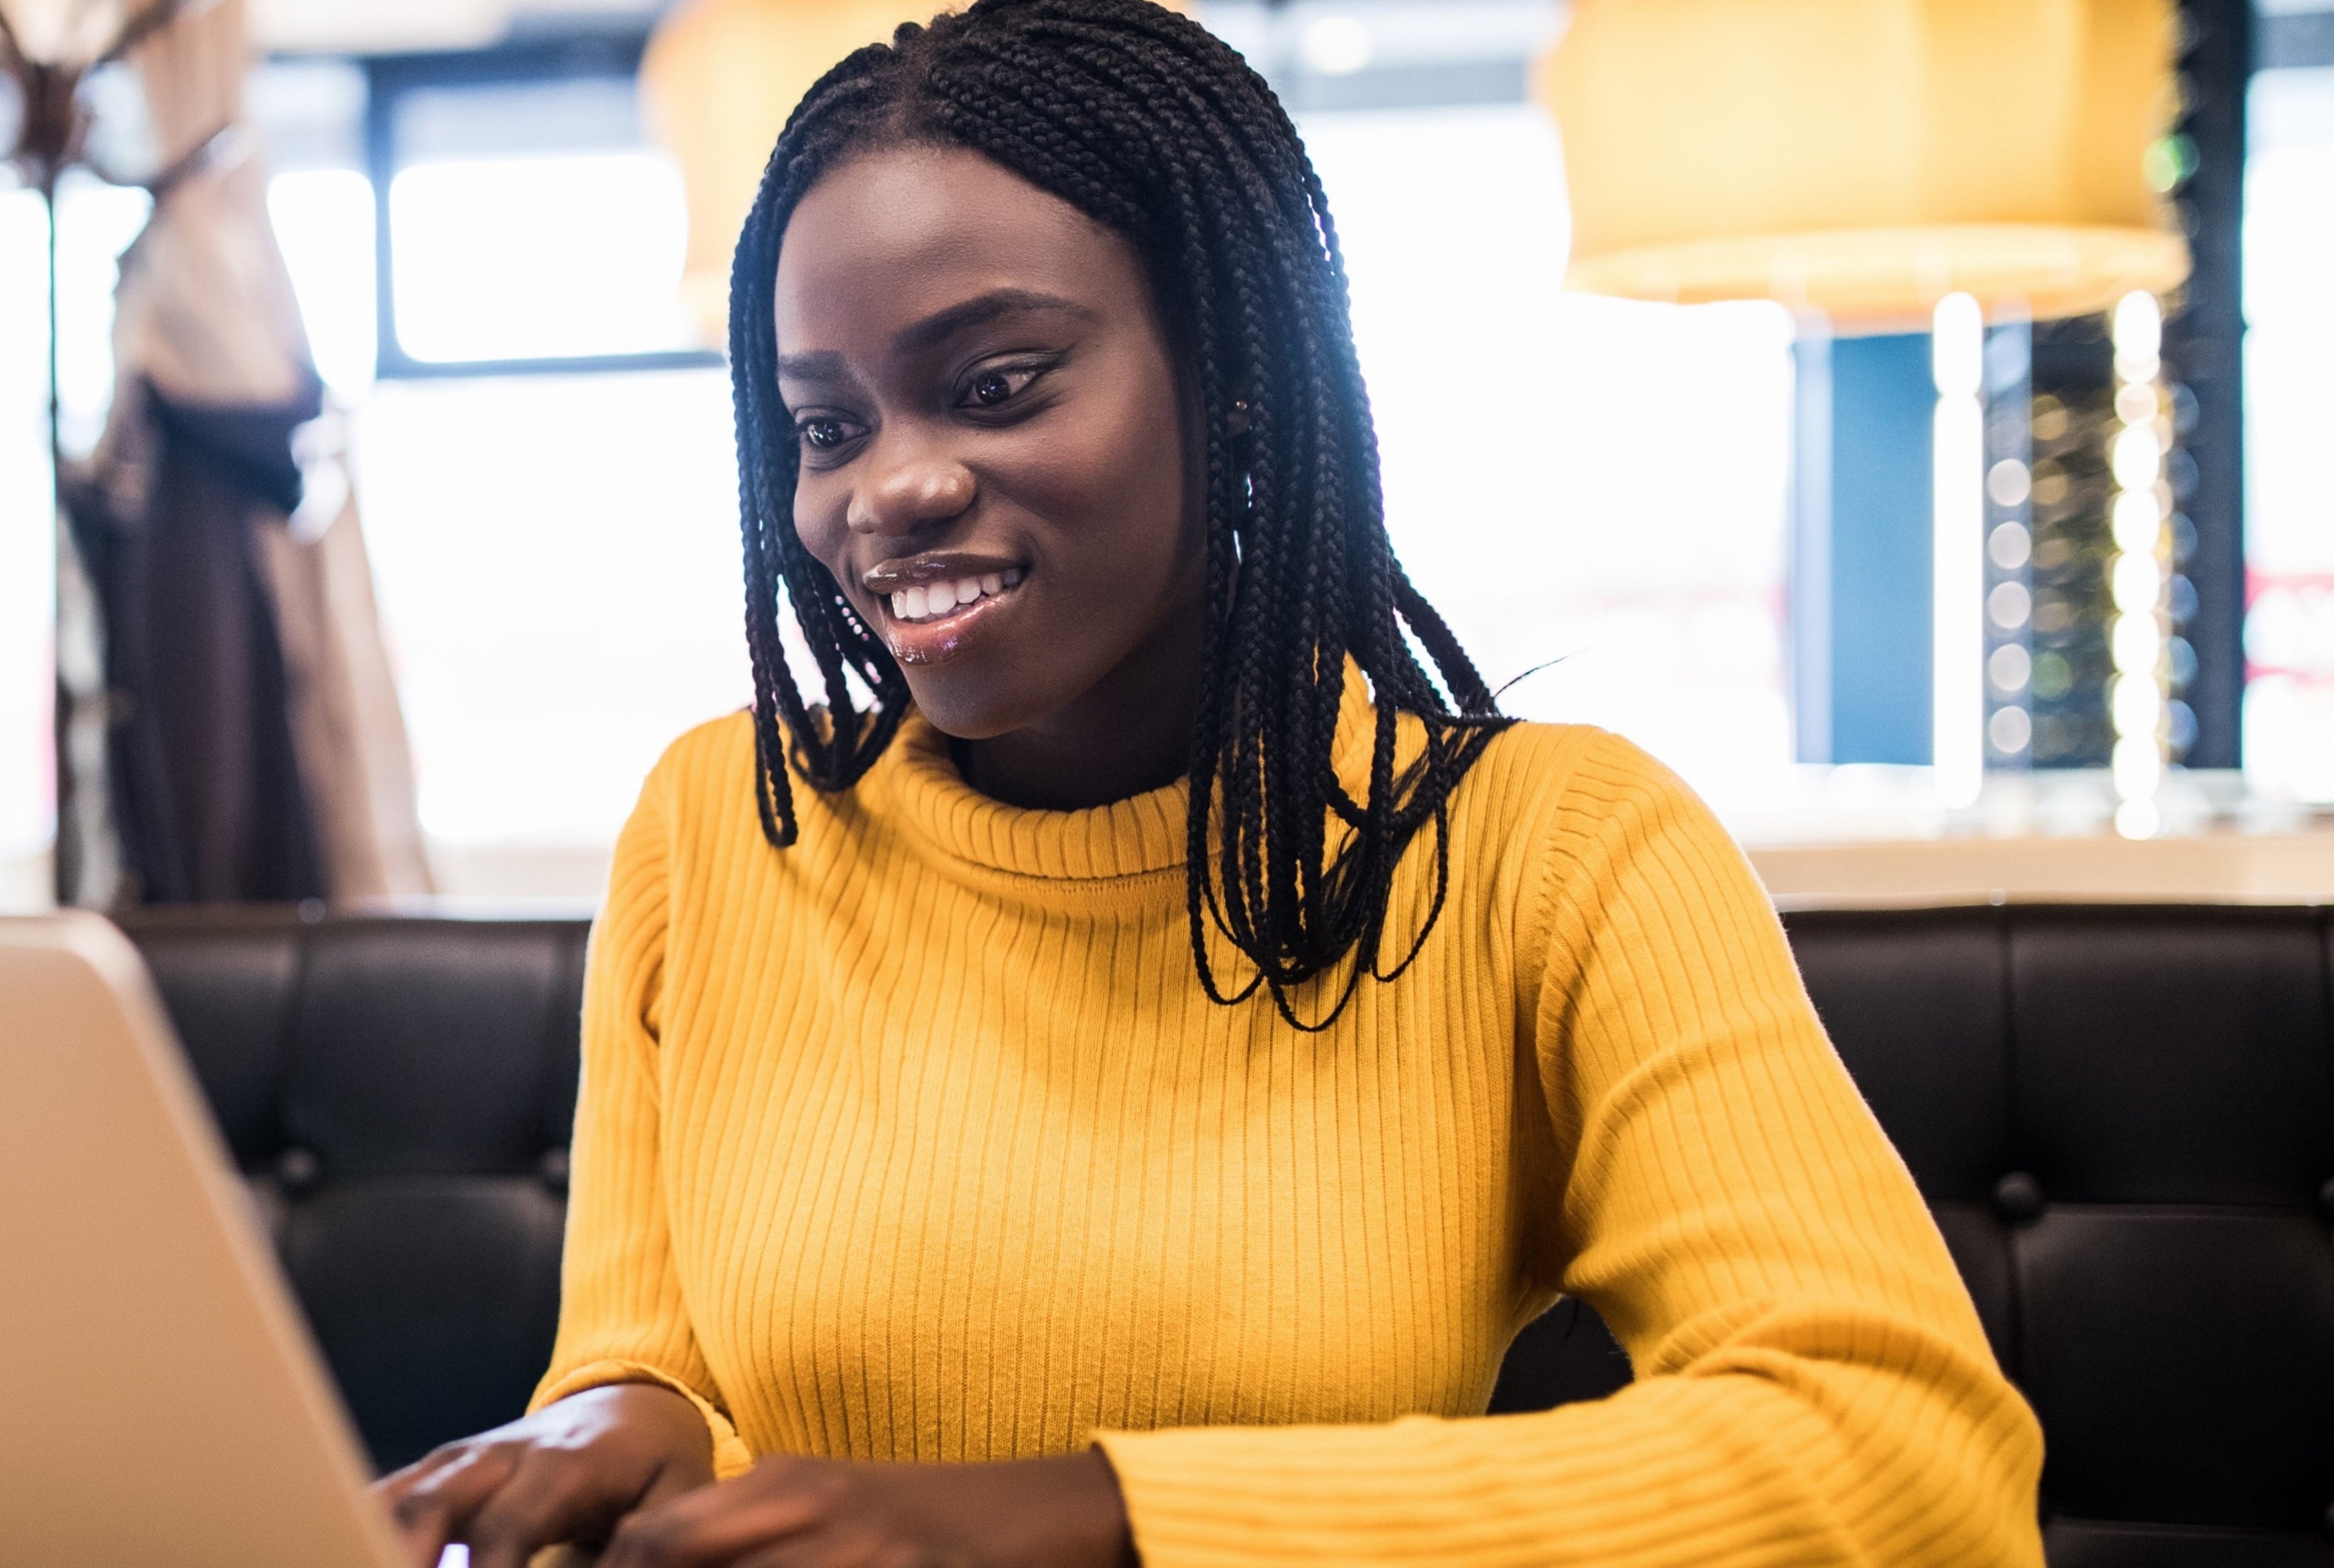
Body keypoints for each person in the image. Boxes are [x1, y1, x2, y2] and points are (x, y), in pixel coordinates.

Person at [376, 0, 2046, 1560]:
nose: (890, 487)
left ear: (1237, 378)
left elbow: (1907, 1457)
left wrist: (1098, 1516)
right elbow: (650, 1355)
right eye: (826, 425)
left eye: (995, 383)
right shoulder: (720, 825)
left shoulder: (1556, 854)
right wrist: (610, 1416)